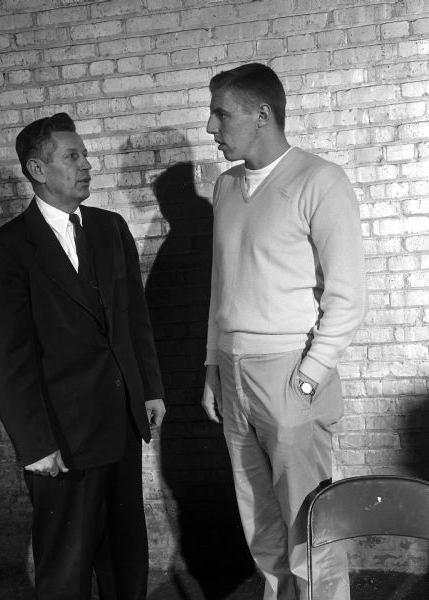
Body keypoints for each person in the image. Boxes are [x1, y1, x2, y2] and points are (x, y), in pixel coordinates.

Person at [0, 112, 166, 600]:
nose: (87, 164)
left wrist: (150, 390)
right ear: (38, 170)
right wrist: (35, 444)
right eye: (72, 155)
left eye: (85, 154)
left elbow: (134, 319)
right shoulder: (7, 250)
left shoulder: (110, 228)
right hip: (61, 438)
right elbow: (5, 360)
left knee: (126, 560)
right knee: (67, 566)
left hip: (121, 425)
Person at [201, 63, 366, 600]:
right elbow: (222, 287)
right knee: (261, 524)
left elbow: (347, 295)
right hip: (233, 374)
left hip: (290, 373)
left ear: (262, 114)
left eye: (221, 114)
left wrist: (309, 380)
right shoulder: (226, 186)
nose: (211, 127)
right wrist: (211, 367)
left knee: (312, 529)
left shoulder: (320, 180)